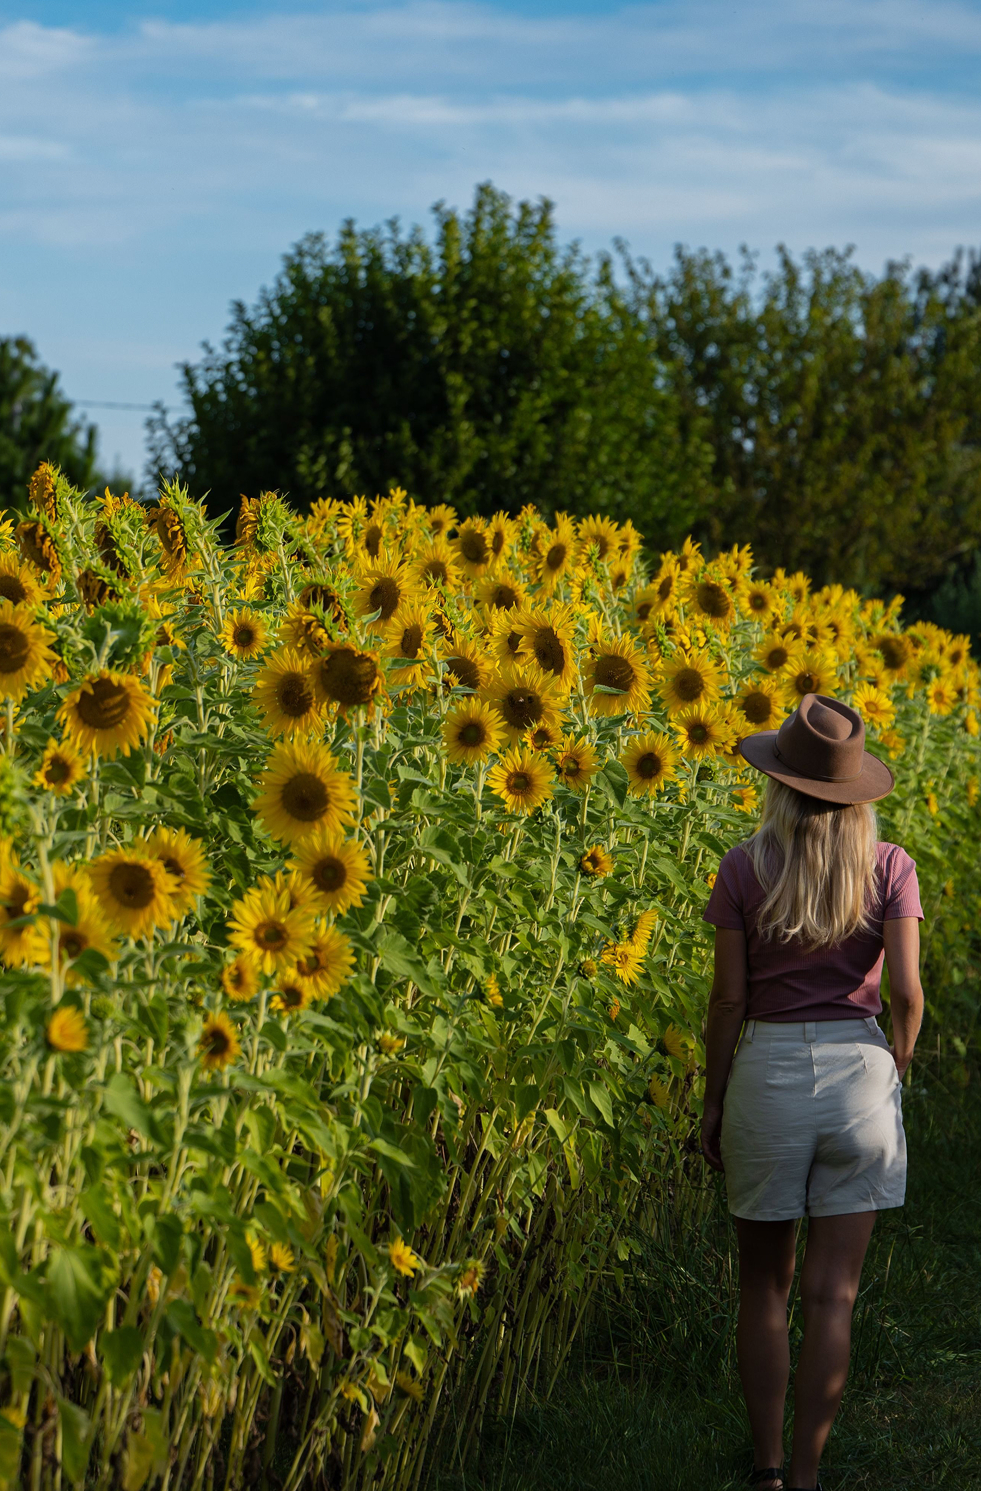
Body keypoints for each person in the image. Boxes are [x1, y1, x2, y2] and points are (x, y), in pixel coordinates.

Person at [700, 694, 924, 1491]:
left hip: (767, 1073)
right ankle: (805, 1475)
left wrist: (713, 1099)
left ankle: (762, 1471)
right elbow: (905, 993)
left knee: (764, 1284)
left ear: (779, 782)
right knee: (834, 1296)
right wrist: (891, 1069)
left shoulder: (743, 865)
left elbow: (727, 1001)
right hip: (860, 1073)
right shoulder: (890, 865)